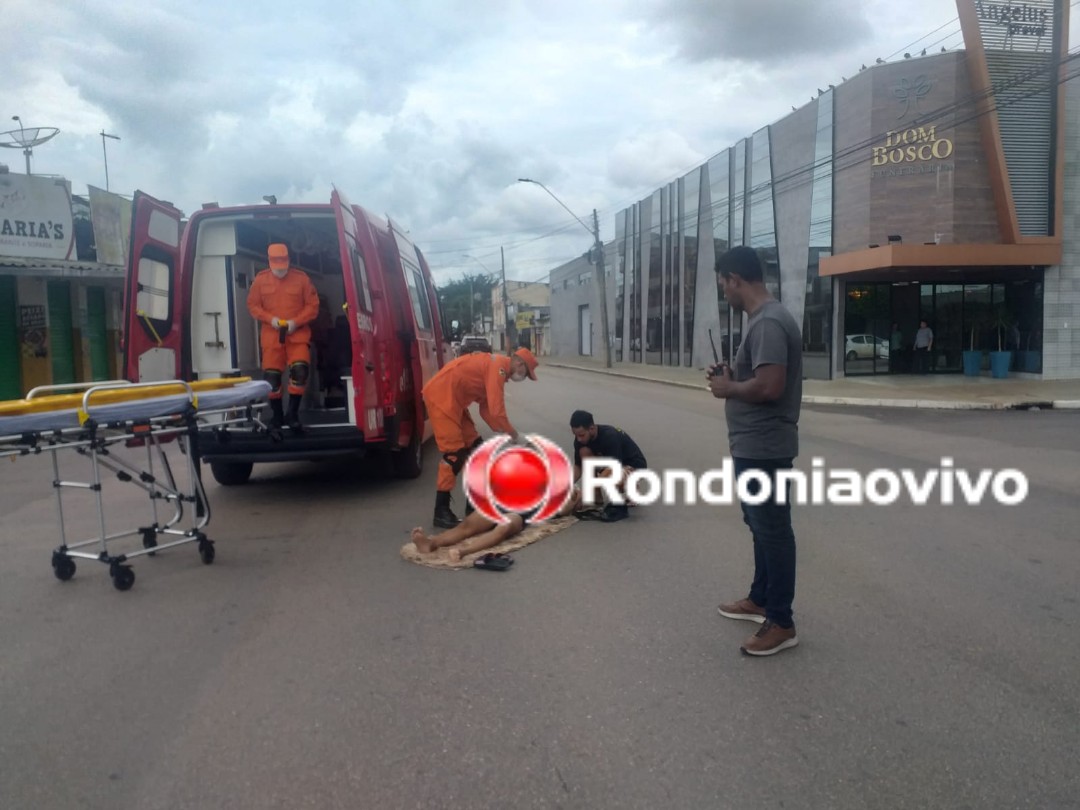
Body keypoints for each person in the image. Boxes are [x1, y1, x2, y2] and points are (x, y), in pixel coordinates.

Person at [707, 245, 802, 657]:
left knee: (773, 531)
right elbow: (757, 379)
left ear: (735, 279)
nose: (723, 292)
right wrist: (732, 377)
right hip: (753, 445)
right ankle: (761, 598)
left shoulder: (768, 322)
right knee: (760, 525)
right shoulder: (760, 322)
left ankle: (780, 621)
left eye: (723, 284)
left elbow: (770, 387)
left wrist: (730, 388)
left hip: (764, 448)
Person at [421, 346, 539, 528]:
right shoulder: (498, 368)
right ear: (517, 362)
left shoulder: (497, 371)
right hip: (442, 396)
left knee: (478, 450)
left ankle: (473, 507)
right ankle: (441, 512)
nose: (524, 377)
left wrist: (502, 430)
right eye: (526, 372)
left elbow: (486, 410)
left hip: (454, 401)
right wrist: (516, 436)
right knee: (454, 455)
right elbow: (496, 411)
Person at [247, 243, 320, 430]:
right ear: (269, 262)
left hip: (297, 334)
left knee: (300, 372)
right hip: (272, 336)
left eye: (283, 264)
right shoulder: (260, 280)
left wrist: (295, 322)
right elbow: (253, 305)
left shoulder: (301, 279)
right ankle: (277, 416)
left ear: (289, 260)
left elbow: (313, 306)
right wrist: (270, 319)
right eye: (276, 265)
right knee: (271, 379)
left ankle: (292, 414)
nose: (280, 269)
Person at [410, 494, 577, 562]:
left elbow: (564, 510)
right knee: (467, 526)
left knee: (503, 529)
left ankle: (463, 552)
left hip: (520, 515)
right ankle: (431, 544)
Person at [568, 410, 648, 522]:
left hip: (632, 465)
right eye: (575, 435)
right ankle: (597, 496)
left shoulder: (609, 436)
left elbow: (613, 469)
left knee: (615, 477)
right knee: (584, 451)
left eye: (581, 435)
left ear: (591, 428)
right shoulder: (580, 440)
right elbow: (578, 466)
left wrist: (585, 492)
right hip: (607, 464)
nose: (578, 439)